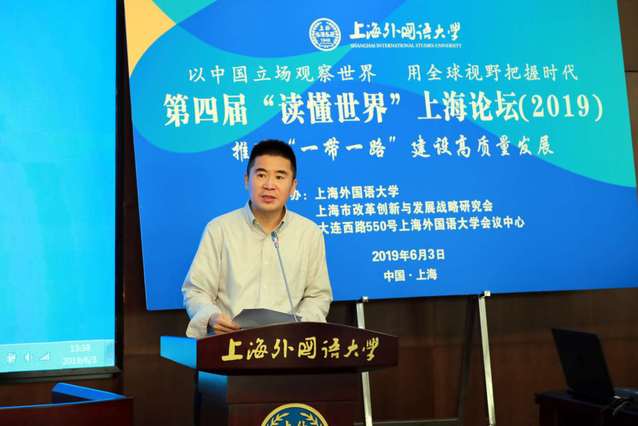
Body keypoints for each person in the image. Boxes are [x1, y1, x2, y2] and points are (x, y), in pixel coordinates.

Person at [182, 139, 333, 338]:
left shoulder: (309, 233)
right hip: (230, 342)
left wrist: (299, 326)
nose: (269, 185)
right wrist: (211, 317)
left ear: (293, 186)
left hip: (287, 345)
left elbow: (318, 296)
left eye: (279, 177)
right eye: (261, 175)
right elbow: (196, 290)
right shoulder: (219, 229)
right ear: (247, 180)